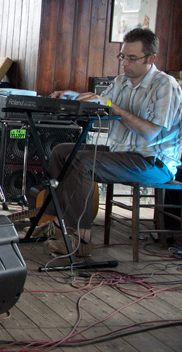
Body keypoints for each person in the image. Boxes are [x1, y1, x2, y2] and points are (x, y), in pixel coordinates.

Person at [44, 28, 182, 257]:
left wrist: (112, 106)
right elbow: (100, 104)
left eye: (132, 58)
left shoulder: (165, 85)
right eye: (122, 56)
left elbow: (149, 132)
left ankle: (81, 239)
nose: (124, 63)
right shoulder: (121, 82)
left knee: (81, 161)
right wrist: (73, 97)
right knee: (61, 151)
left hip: (154, 163)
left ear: (151, 59)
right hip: (124, 152)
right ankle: (59, 225)